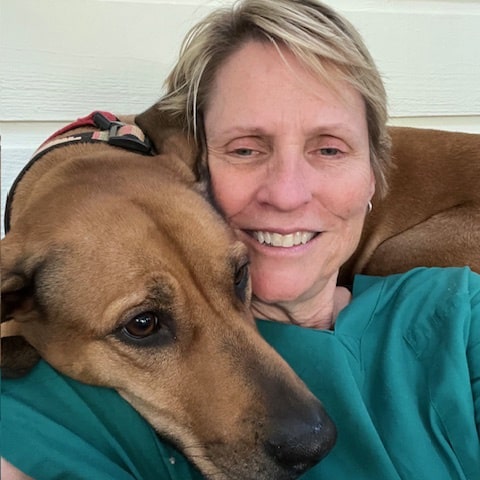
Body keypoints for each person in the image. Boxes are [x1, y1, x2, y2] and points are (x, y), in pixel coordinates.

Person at [2, 0, 479, 478]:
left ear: (375, 172)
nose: (288, 195)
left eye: (331, 148)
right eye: (144, 324)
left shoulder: (455, 312)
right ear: (208, 160)